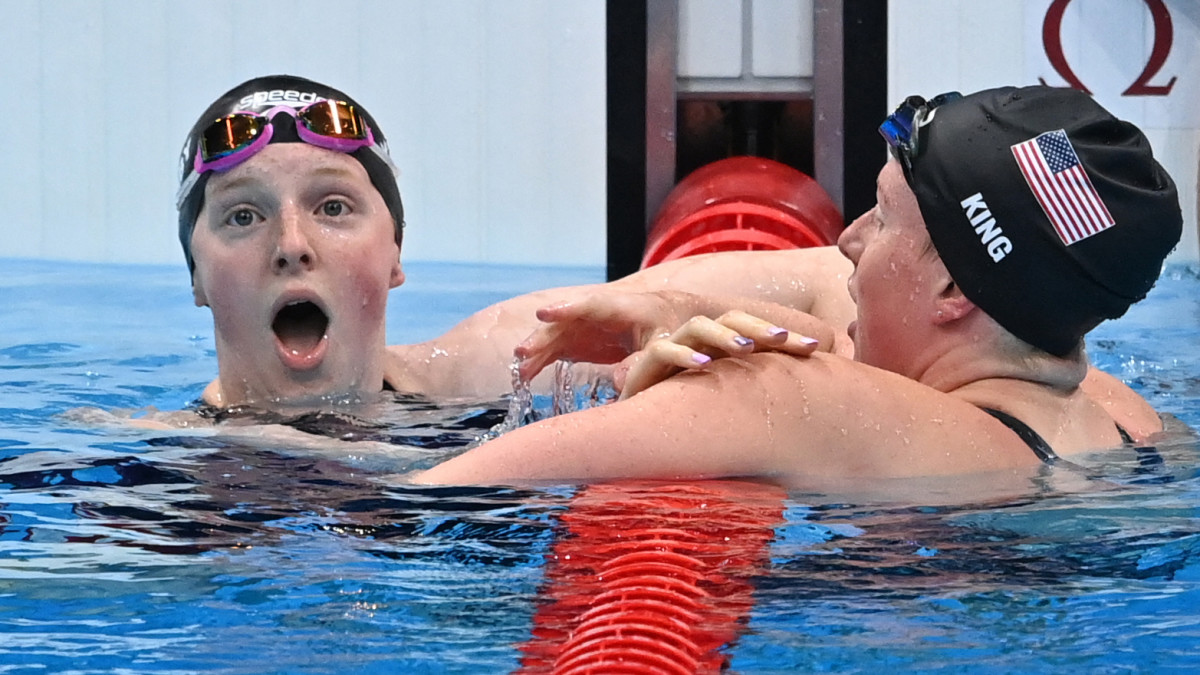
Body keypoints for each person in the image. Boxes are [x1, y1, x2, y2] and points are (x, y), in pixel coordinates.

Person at [414, 85, 1183, 486]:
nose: (845, 241)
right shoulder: (1126, 417)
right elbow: (855, 362)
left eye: (881, 220)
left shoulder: (781, 399)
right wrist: (683, 311)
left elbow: (430, 495)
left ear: (953, 288)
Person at [171, 74, 843, 414]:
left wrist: (677, 307)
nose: (292, 244)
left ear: (396, 254)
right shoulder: (148, 481)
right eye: (241, 217)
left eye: (334, 206)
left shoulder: (508, 361)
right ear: (196, 276)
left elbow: (836, 280)